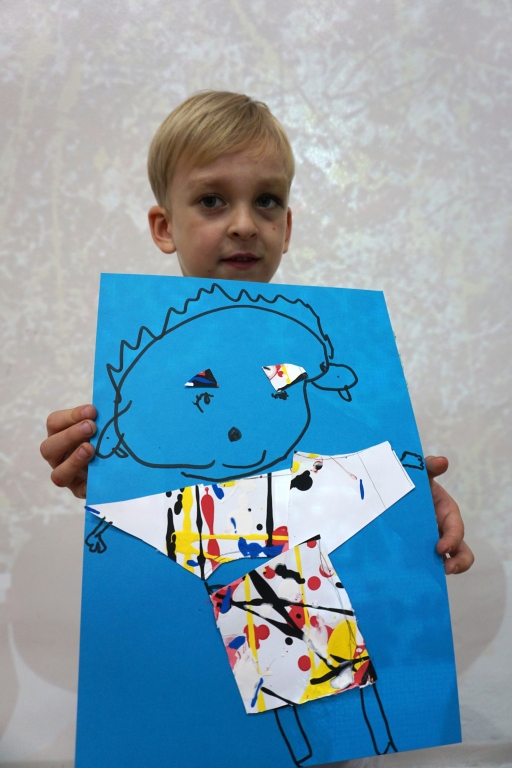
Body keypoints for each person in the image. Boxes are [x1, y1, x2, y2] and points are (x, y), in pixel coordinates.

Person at [39, 90, 474, 576]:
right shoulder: (148, 385)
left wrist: (417, 504)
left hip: (302, 591)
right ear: (164, 227)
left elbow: (349, 467)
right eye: (212, 201)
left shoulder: (314, 369)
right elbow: (140, 486)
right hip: (193, 589)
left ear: (286, 227)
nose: (245, 225)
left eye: (266, 201)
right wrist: (97, 469)